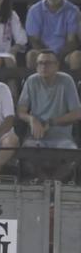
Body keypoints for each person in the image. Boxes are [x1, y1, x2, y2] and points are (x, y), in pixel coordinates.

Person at [17, 49, 81, 179]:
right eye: (40, 63)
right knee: (25, 153)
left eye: (47, 63)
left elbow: (77, 113)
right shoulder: (31, 81)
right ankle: (45, 183)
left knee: (74, 155)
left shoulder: (66, 81)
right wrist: (32, 119)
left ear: (56, 65)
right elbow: (20, 111)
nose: (43, 66)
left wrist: (51, 122)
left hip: (62, 138)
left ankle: (53, 183)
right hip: (36, 137)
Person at [25, 0, 81, 71]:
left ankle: (74, 85)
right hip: (41, 51)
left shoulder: (73, 10)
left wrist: (57, 57)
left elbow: (72, 41)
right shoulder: (34, 10)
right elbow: (34, 40)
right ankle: (33, 85)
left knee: (77, 56)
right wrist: (48, 55)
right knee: (32, 55)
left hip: (65, 53)